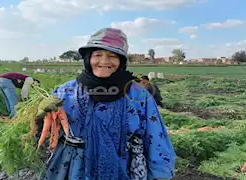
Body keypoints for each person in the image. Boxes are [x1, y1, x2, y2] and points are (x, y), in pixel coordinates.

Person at [39, 27, 176, 180]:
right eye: (97, 55)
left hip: (122, 167)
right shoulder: (66, 91)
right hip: (73, 168)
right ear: (88, 58)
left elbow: (156, 136)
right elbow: (44, 131)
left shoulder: (138, 95)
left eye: (112, 56)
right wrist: (39, 114)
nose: (104, 61)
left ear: (121, 61)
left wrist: (160, 174)